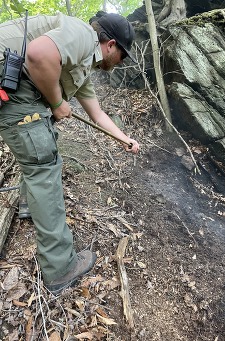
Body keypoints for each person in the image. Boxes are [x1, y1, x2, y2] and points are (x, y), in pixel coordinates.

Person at [0, 12, 139, 295]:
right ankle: (60, 268)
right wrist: (57, 101)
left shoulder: (82, 64)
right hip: (12, 84)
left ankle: (28, 205)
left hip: (15, 86)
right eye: (123, 55)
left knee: (39, 152)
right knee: (44, 166)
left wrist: (124, 138)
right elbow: (38, 55)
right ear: (111, 44)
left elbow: (97, 113)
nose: (121, 63)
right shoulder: (82, 34)